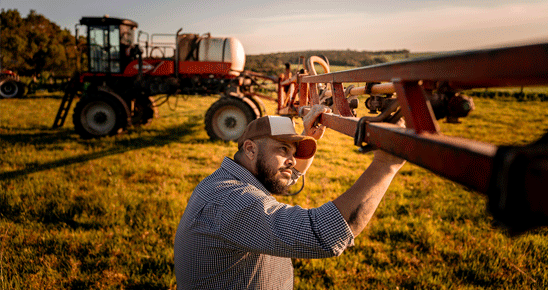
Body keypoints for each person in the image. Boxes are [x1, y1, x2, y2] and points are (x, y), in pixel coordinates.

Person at [174, 105, 406, 289]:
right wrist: (386, 164)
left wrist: (308, 136)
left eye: (293, 153)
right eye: (283, 149)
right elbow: (321, 234)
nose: (293, 161)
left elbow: (282, 175)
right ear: (250, 149)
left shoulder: (229, 180)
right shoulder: (231, 201)